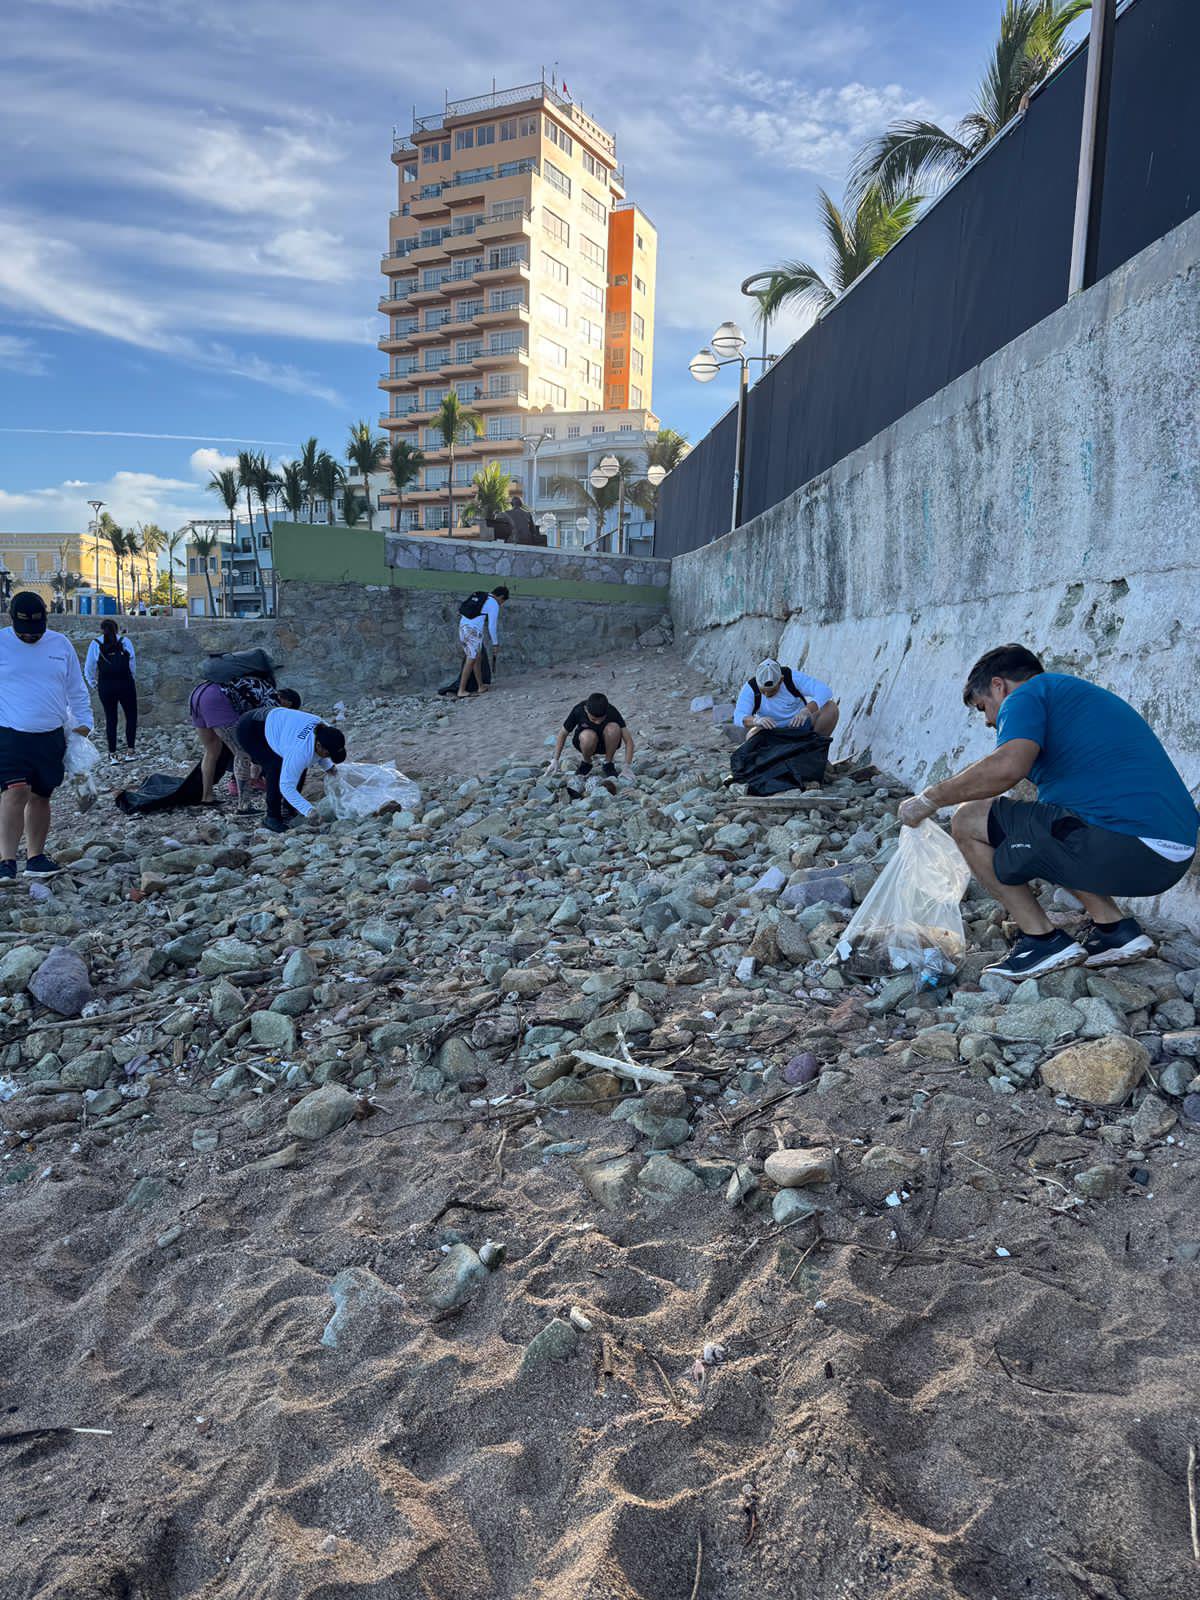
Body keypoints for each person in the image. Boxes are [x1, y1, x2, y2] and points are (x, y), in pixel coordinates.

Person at [898, 644, 1199, 979]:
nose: (987, 720)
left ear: (999, 685)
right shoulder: (1070, 700)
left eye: (983, 707)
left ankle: (1040, 939)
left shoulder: (1026, 695)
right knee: (1053, 825)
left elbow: (1006, 768)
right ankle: (1116, 931)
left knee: (969, 820)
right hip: (1169, 856)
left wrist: (930, 798)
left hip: (1128, 846)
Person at [0, 592, 92, 880]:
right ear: (11, 620)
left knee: (42, 795)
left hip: (51, 734)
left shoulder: (60, 644)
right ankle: (6, 861)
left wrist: (85, 724)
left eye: (36, 632)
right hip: (10, 733)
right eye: (24, 632)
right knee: (16, 792)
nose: (30, 637)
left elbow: (76, 688)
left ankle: (35, 858)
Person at [233, 706, 346, 834]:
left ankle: (288, 808)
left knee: (299, 766)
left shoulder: (326, 729)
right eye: (328, 754)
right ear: (318, 745)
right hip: (251, 728)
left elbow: (322, 754)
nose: (328, 757)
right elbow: (286, 786)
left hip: (278, 724)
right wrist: (309, 810)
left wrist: (329, 767)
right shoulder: (299, 751)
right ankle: (272, 817)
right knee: (274, 767)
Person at [733, 658, 840, 739]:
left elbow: (825, 690)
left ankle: (817, 751)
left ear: (781, 680)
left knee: (830, 708)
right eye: (762, 690)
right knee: (751, 736)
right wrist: (757, 720)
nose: (766, 694)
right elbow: (739, 716)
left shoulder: (792, 678)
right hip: (771, 730)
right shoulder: (750, 688)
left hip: (800, 725)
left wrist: (807, 710)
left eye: (771, 690)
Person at [84, 619, 138, 764]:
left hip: (106, 685)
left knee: (111, 718)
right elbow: (132, 663)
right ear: (117, 629)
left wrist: (94, 684)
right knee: (131, 716)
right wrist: (131, 679)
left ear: (102, 630)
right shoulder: (125, 642)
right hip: (125, 683)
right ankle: (130, 751)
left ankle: (112, 754)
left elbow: (89, 668)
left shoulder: (96, 644)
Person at [549, 692, 634, 779]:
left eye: (601, 720)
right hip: (585, 742)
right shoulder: (579, 710)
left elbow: (628, 741)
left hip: (606, 743)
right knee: (588, 736)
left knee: (614, 728)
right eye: (593, 719)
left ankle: (608, 763)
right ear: (586, 709)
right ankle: (587, 762)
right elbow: (563, 733)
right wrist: (555, 759)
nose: (598, 722)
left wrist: (627, 766)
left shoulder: (611, 710)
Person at [456, 585, 509, 699]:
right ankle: (461, 690)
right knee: (471, 658)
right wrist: (495, 643)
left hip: (463, 627)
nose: (501, 604)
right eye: (502, 601)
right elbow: (492, 626)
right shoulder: (493, 603)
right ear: (501, 597)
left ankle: (480, 686)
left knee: (477, 656)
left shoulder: (482, 597)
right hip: (473, 631)